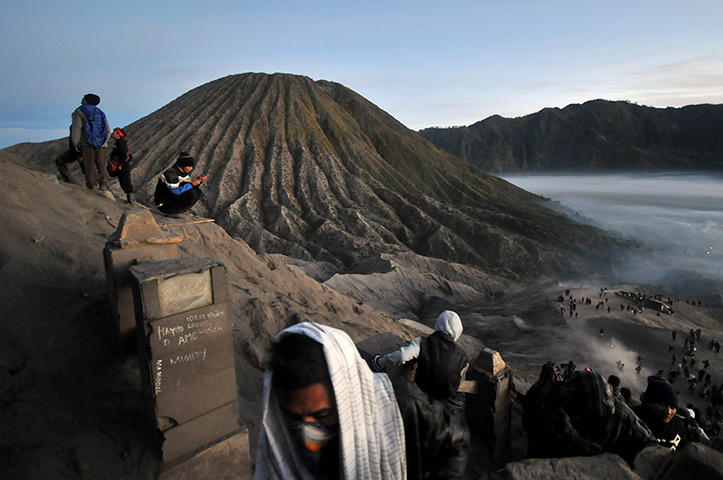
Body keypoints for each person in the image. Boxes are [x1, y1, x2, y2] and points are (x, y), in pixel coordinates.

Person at [255, 322, 406, 479]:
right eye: (293, 417)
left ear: (346, 397)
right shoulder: (280, 448)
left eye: (321, 416)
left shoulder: (411, 417)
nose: (307, 436)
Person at [522, 369, 656, 465]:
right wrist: (603, 460)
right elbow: (564, 438)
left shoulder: (620, 413)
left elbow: (649, 444)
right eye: (588, 415)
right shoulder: (551, 403)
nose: (595, 421)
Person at [371, 310, 468, 403]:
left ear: (438, 324)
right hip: (443, 407)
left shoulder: (424, 342)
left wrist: (379, 362)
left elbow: (402, 355)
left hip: (420, 397)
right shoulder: (462, 356)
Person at [633, 376, 688, 450]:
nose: (668, 412)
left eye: (672, 407)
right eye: (662, 404)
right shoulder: (633, 421)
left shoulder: (677, 425)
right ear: (649, 402)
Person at [70, 93, 111, 189]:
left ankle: (92, 184)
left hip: (86, 142)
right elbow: (108, 130)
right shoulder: (100, 112)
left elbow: (77, 128)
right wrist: (103, 140)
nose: (82, 99)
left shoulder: (80, 111)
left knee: (89, 164)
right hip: (101, 143)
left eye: (84, 98)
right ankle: (103, 184)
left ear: (86, 100)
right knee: (101, 163)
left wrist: (75, 142)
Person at [109, 127, 135, 204]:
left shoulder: (120, 143)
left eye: (114, 132)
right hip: (122, 165)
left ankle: (131, 201)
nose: (112, 133)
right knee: (124, 182)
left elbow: (124, 155)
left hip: (122, 166)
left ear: (118, 135)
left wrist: (120, 164)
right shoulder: (120, 143)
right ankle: (130, 200)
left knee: (125, 182)